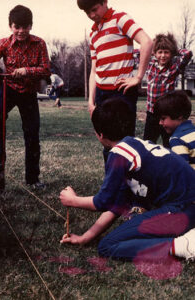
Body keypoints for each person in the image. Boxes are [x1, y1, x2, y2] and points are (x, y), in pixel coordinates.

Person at [59, 98, 195, 262]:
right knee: (119, 236)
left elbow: (102, 202)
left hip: (183, 209)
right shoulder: (133, 145)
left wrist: (73, 200)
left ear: (100, 134)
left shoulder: (118, 155)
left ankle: (182, 245)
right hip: (185, 208)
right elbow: (117, 205)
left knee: (107, 246)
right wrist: (85, 237)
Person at [0, 5, 51, 188]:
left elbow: (46, 70)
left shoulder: (40, 43)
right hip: (9, 89)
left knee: (32, 132)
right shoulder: (4, 43)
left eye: (25, 26)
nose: (21, 31)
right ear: (10, 26)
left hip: (28, 92)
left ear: (31, 26)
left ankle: (33, 179)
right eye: (17, 26)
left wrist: (26, 71)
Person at [77, 0, 152, 162]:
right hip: (102, 94)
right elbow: (94, 69)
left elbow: (147, 42)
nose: (91, 15)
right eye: (87, 12)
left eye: (94, 9)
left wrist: (138, 77)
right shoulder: (93, 33)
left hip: (121, 92)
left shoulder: (120, 19)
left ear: (104, 2)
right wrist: (91, 101)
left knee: (125, 144)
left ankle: (129, 184)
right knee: (107, 142)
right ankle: (112, 181)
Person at [134, 33, 193, 147]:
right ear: (155, 53)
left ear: (171, 53)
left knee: (169, 143)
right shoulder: (150, 64)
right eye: (160, 52)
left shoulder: (174, 67)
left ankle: (168, 162)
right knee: (148, 143)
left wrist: (174, 49)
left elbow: (188, 54)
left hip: (167, 114)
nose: (163, 55)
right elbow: (136, 53)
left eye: (166, 52)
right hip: (151, 113)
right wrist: (151, 49)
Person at [155, 91, 195, 169]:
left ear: (179, 116)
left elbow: (180, 170)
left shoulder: (177, 139)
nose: (160, 122)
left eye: (163, 118)